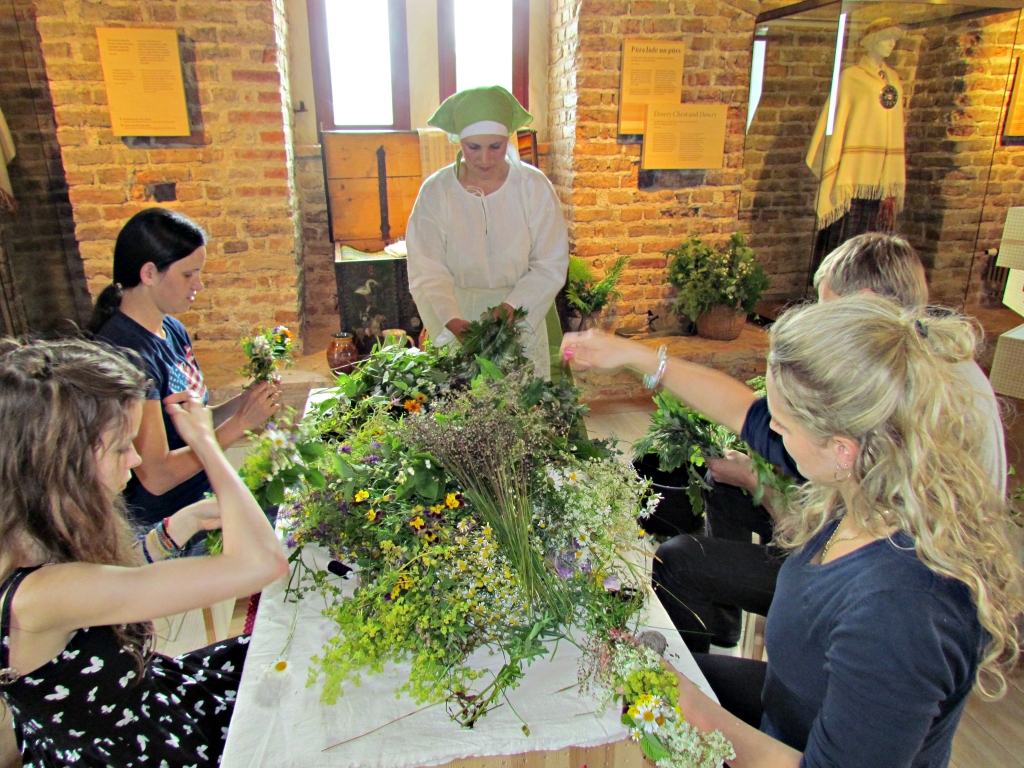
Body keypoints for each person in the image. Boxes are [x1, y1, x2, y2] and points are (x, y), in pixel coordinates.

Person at [564, 296, 1024, 767]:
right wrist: (631, 355)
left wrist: (688, 706)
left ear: (842, 447)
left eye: (782, 425)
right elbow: (742, 410)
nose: (770, 433)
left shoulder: (903, 610)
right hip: (786, 714)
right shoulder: (871, 478)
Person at [597, 232, 1007, 653]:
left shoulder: (893, 400)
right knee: (721, 484)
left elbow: (829, 539)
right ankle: (721, 621)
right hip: (866, 553)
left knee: (680, 559)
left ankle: (709, 653)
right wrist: (639, 358)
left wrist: (761, 486)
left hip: (870, 584)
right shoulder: (918, 363)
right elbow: (751, 415)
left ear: (865, 304)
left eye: (826, 309)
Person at [0, 338, 289, 766]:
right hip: (138, 748)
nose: (135, 458)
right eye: (121, 448)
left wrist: (177, 527)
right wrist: (207, 446)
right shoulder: (43, 595)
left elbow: (107, 585)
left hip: (149, 699)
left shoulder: (28, 533)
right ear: (63, 465)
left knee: (277, 652)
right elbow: (263, 564)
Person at [88, 208, 281, 539]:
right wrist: (240, 424)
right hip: (167, 524)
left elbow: (192, 421)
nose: (199, 285)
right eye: (188, 275)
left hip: (202, 494)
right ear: (149, 273)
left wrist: (244, 402)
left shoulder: (171, 328)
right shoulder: (128, 354)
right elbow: (157, 475)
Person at [406, 85, 569, 380]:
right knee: (464, 409)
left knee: (522, 406)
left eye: (495, 147)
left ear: (508, 141)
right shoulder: (436, 192)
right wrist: (454, 323)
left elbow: (550, 263)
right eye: (473, 148)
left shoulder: (533, 187)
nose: (484, 159)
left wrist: (510, 311)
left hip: (522, 314)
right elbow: (426, 268)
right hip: (459, 317)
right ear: (459, 141)